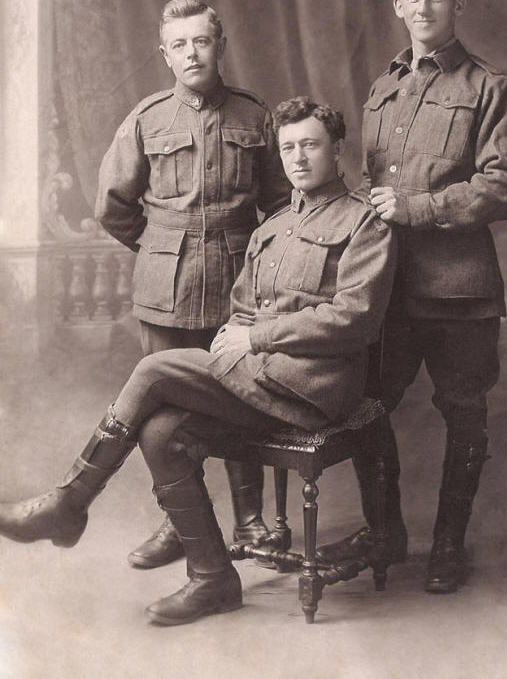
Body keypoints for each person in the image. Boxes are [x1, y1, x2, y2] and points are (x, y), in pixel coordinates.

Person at [0, 96, 396, 626]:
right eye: (287, 148)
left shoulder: (365, 223)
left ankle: (69, 502)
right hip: (262, 382)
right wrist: (240, 332)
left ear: (337, 149)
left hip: (315, 390)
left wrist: (256, 339)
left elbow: (356, 319)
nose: (298, 158)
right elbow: (240, 307)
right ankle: (212, 578)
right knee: (161, 432)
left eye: (310, 145)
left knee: (154, 369)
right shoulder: (272, 228)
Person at [317, 0, 507, 593]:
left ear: (458, 6)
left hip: (459, 291)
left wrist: (419, 208)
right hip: (386, 288)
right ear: (398, 6)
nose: (424, 8)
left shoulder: (489, 87)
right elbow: (368, 187)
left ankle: (447, 546)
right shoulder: (383, 88)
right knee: (364, 407)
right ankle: (386, 530)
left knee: (464, 416)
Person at [95, 0, 291, 569]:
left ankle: (250, 519)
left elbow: (282, 207)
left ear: (221, 46)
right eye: (179, 45)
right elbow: (113, 206)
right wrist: (160, 247)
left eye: (201, 41)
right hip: (166, 291)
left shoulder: (257, 118)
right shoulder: (147, 118)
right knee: (164, 416)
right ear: (164, 54)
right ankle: (177, 524)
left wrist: (262, 268)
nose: (191, 53)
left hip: (239, 287)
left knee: (240, 397)